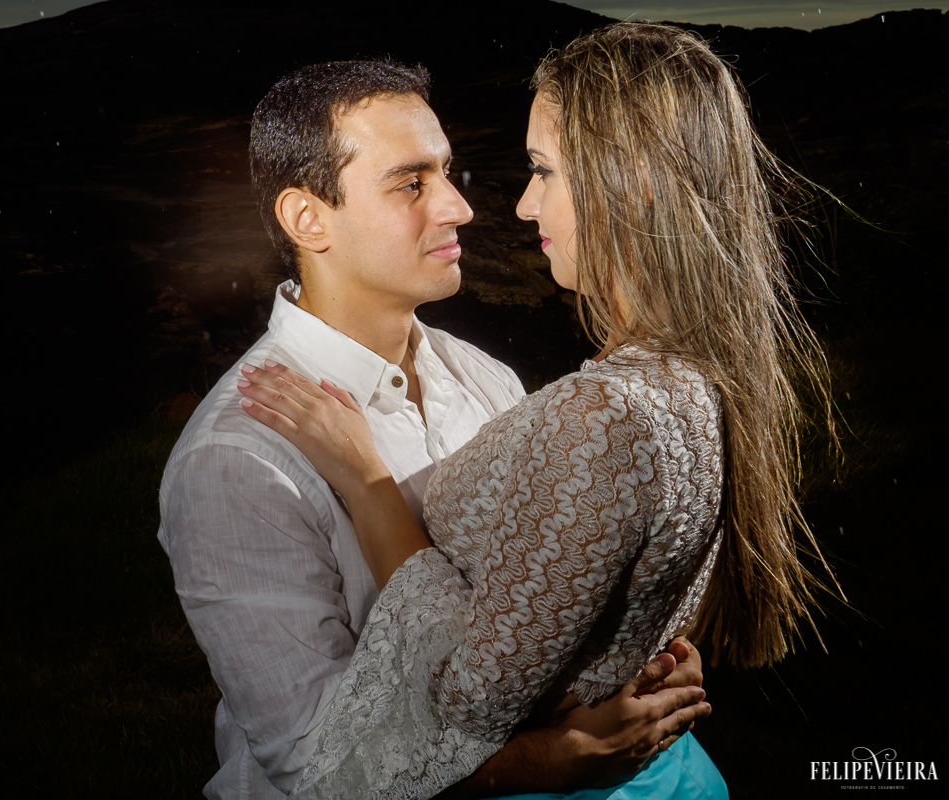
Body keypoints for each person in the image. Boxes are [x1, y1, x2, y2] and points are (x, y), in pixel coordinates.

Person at [237, 22, 838, 799]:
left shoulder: (599, 414)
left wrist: (367, 483)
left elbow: (471, 698)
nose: (520, 205)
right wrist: (625, 658)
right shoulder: (698, 379)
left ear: (633, 179)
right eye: (411, 182)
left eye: (543, 171)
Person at [158, 57, 711, 800]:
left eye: (447, 173)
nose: (459, 207)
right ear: (307, 219)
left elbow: (535, 608)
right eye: (410, 184)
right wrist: (547, 760)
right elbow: (308, 759)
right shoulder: (239, 459)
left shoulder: (485, 378)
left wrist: (635, 657)